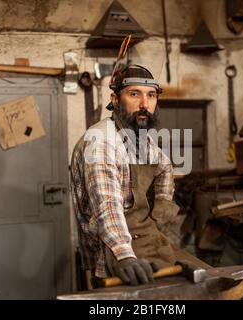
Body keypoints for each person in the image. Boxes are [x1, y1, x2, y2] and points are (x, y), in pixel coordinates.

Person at [70, 65, 180, 287]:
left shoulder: (139, 138)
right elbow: (107, 204)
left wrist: (160, 212)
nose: (144, 105)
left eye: (151, 96)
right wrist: (124, 255)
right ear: (116, 99)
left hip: (141, 236)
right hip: (108, 247)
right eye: (134, 94)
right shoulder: (100, 142)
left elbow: (165, 167)